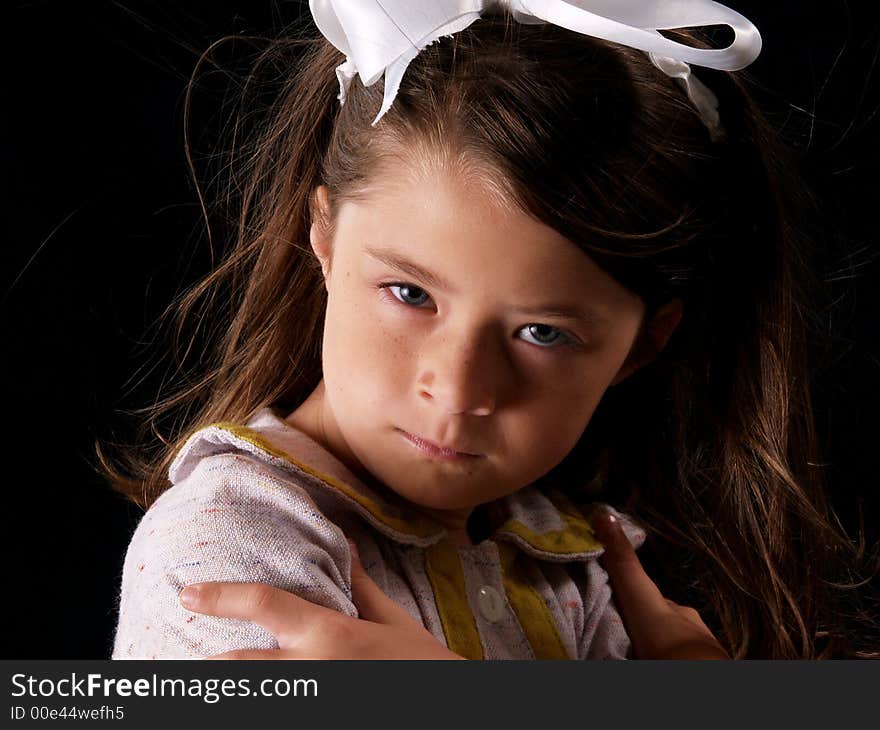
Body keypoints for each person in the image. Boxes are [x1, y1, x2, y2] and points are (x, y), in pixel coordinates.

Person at [105, 1, 876, 659]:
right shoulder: (229, 542)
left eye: (542, 334)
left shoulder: (566, 560)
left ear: (641, 345)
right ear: (327, 239)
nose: (460, 388)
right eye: (409, 293)